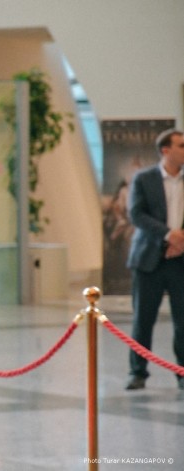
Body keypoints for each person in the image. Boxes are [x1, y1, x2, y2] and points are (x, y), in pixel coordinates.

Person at [125, 129, 184, 390]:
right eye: (181, 146)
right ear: (165, 150)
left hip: (180, 260)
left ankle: (182, 372)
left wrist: (180, 241)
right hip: (149, 259)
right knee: (143, 319)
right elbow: (136, 214)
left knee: (183, 321)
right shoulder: (144, 178)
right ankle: (137, 372)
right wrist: (169, 235)